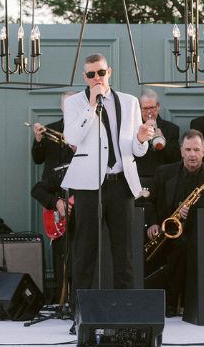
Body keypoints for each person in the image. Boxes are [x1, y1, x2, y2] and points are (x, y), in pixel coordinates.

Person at [61, 53, 152, 292]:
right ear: (85, 76)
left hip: (122, 183)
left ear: (109, 72)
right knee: (85, 249)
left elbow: (136, 150)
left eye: (101, 72)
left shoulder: (130, 102)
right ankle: (81, 310)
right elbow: (72, 138)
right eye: (91, 74)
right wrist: (91, 106)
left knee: (124, 251)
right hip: (89, 185)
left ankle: (125, 309)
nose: (97, 78)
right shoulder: (75, 103)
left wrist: (141, 140)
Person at [145, 130, 204, 315]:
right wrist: (152, 224)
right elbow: (150, 202)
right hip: (164, 232)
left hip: (199, 235)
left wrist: (194, 213)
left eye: (196, 150)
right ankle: (155, 300)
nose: (192, 154)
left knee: (181, 247)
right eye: (188, 149)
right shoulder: (163, 172)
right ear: (181, 151)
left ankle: (176, 303)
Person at [30, 93, 77, 301]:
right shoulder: (51, 128)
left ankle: (78, 298)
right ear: (61, 107)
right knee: (60, 252)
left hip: (79, 192)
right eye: (66, 104)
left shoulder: (88, 129)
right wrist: (38, 140)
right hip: (53, 190)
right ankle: (61, 300)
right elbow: (38, 159)